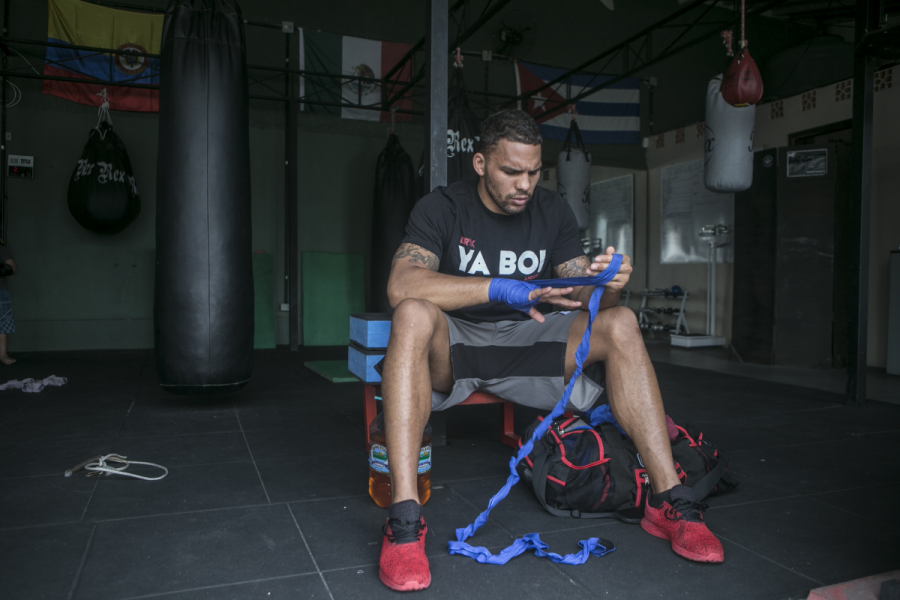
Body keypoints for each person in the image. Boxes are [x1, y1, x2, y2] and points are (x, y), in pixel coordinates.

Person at [376, 109, 723, 592]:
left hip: (529, 345)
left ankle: (667, 499)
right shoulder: (442, 207)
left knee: (620, 323)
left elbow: (588, 299)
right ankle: (405, 521)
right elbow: (401, 283)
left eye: (534, 172)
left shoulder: (553, 210)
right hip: (457, 347)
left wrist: (609, 283)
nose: (524, 184)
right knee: (411, 313)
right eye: (511, 171)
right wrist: (497, 288)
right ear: (479, 163)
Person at [0, 243, 17, 365]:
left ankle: (2, 354)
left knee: (3, 323)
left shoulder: (1, 249)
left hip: (0, 291)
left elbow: (14, 268)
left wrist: (1, 267)